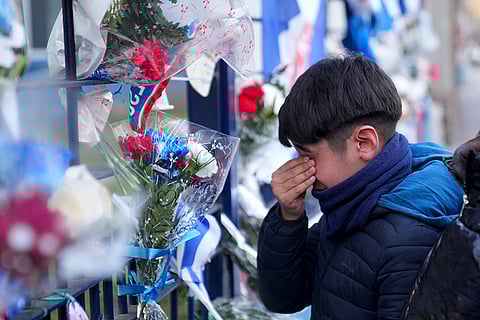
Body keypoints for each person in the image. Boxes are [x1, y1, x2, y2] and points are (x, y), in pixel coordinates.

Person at [257, 54, 465, 320]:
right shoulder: (355, 199)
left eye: (308, 155)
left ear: (364, 143)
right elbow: (283, 297)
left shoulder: (411, 237)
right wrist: (289, 215)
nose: (300, 167)